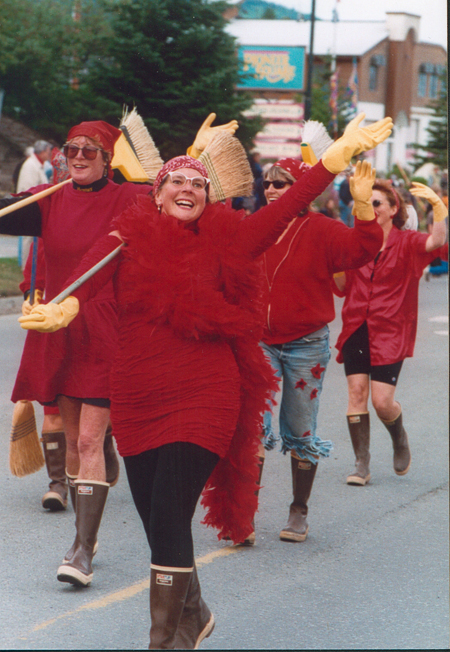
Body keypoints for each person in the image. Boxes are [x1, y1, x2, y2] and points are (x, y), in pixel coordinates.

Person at [18, 113, 393, 649]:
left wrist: (331, 161)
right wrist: (65, 309)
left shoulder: (233, 241)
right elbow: (87, 277)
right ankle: (193, 612)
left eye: (198, 182)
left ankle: (164, 639)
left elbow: (286, 207)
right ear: (158, 193)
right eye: (177, 180)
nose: (187, 188)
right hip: (137, 395)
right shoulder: (125, 238)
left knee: (170, 510)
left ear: (210, 196)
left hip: (204, 397)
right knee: (154, 517)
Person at [0, 120, 150, 586]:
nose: (79, 156)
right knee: (73, 440)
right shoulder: (48, 197)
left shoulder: (131, 200)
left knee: (86, 442)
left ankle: (82, 550)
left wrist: (147, 178)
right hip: (58, 327)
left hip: (108, 326)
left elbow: (182, 207)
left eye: (91, 150)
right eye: (72, 148)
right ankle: (98, 475)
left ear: (109, 158)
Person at [256, 159, 383, 544]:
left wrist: (363, 209)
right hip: (258, 342)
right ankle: (244, 508)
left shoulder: (325, 229)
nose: (273, 189)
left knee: (299, 427)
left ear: (305, 188)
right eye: (268, 183)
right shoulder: (257, 227)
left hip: (306, 344)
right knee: (251, 427)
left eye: (283, 183)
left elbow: (363, 248)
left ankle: (299, 510)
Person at [333, 180, 447, 486]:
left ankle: (398, 437)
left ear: (393, 209)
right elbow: (342, 287)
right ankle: (361, 464)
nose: (370, 209)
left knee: (382, 402)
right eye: (364, 203)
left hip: (391, 331)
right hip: (356, 325)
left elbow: (437, 241)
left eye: (377, 203)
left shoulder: (408, 242)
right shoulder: (354, 242)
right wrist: (333, 263)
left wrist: (438, 207)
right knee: (357, 393)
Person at [16, 140, 53, 269]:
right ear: (42, 152)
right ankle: (26, 268)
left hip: (35, 206)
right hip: (29, 206)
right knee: (28, 239)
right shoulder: (30, 165)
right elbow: (29, 189)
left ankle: (30, 267)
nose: (50, 155)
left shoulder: (38, 165)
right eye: (48, 152)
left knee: (32, 239)